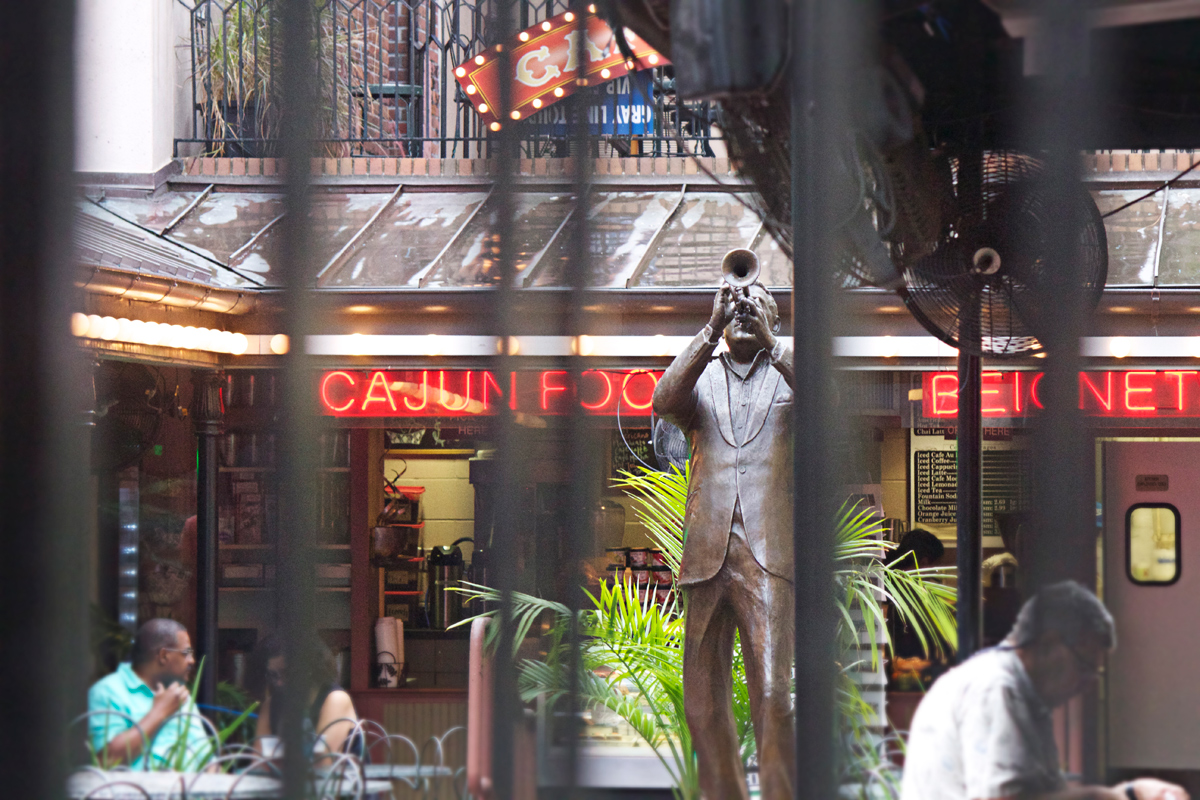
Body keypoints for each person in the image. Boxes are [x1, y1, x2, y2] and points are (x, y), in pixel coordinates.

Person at [653, 280, 794, 800]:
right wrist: (710, 328)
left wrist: (775, 347)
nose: (743, 312)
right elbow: (662, 399)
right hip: (707, 556)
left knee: (776, 697)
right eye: (736, 305)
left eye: (756, 306)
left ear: (772, 322)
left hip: (767, 557)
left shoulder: (788, 378)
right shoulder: (702, 378)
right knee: (701, 704)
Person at [901, 581, 1189, 800]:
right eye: (1084, 665)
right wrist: (1119, 795)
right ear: (1049, 645)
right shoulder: (997, 689)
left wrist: (1127, 791)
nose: (1088, 683)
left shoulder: (1018, 693)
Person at [87, 617, 211, 769]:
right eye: (186, 653)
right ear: (164, 655)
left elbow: (208, 761)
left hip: (194, 791)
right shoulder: (108, 691)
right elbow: (105, 761)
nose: (191, 660)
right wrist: (159, 712)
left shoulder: (180, 695)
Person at [246, 633, 359, 757]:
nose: (279, 682)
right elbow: (258, 763)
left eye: (287, 673)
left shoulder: (335, 700)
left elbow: (324, 764)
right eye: (273, 675)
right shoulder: (271, 705)